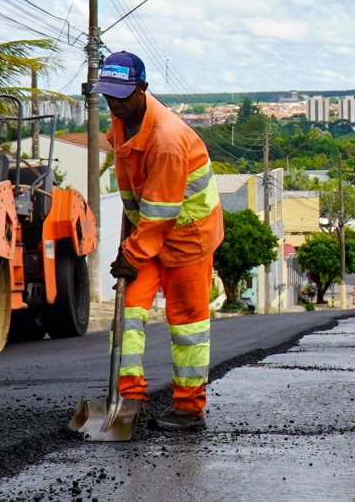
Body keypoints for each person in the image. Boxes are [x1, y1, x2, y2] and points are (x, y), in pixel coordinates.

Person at [92, 51, 224, 432]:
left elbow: (163, 212)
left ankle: (189, 407)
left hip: (187, 236)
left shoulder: (167, 139)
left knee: (187, 325)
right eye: (108, 96)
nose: (114, 104)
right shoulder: (122, 121)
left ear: (143, 89)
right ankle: (129, 397)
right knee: (128, 310)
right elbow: (138, 192)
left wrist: (132, 253)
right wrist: (132, 241)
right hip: (147, 234)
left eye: (122, 95)